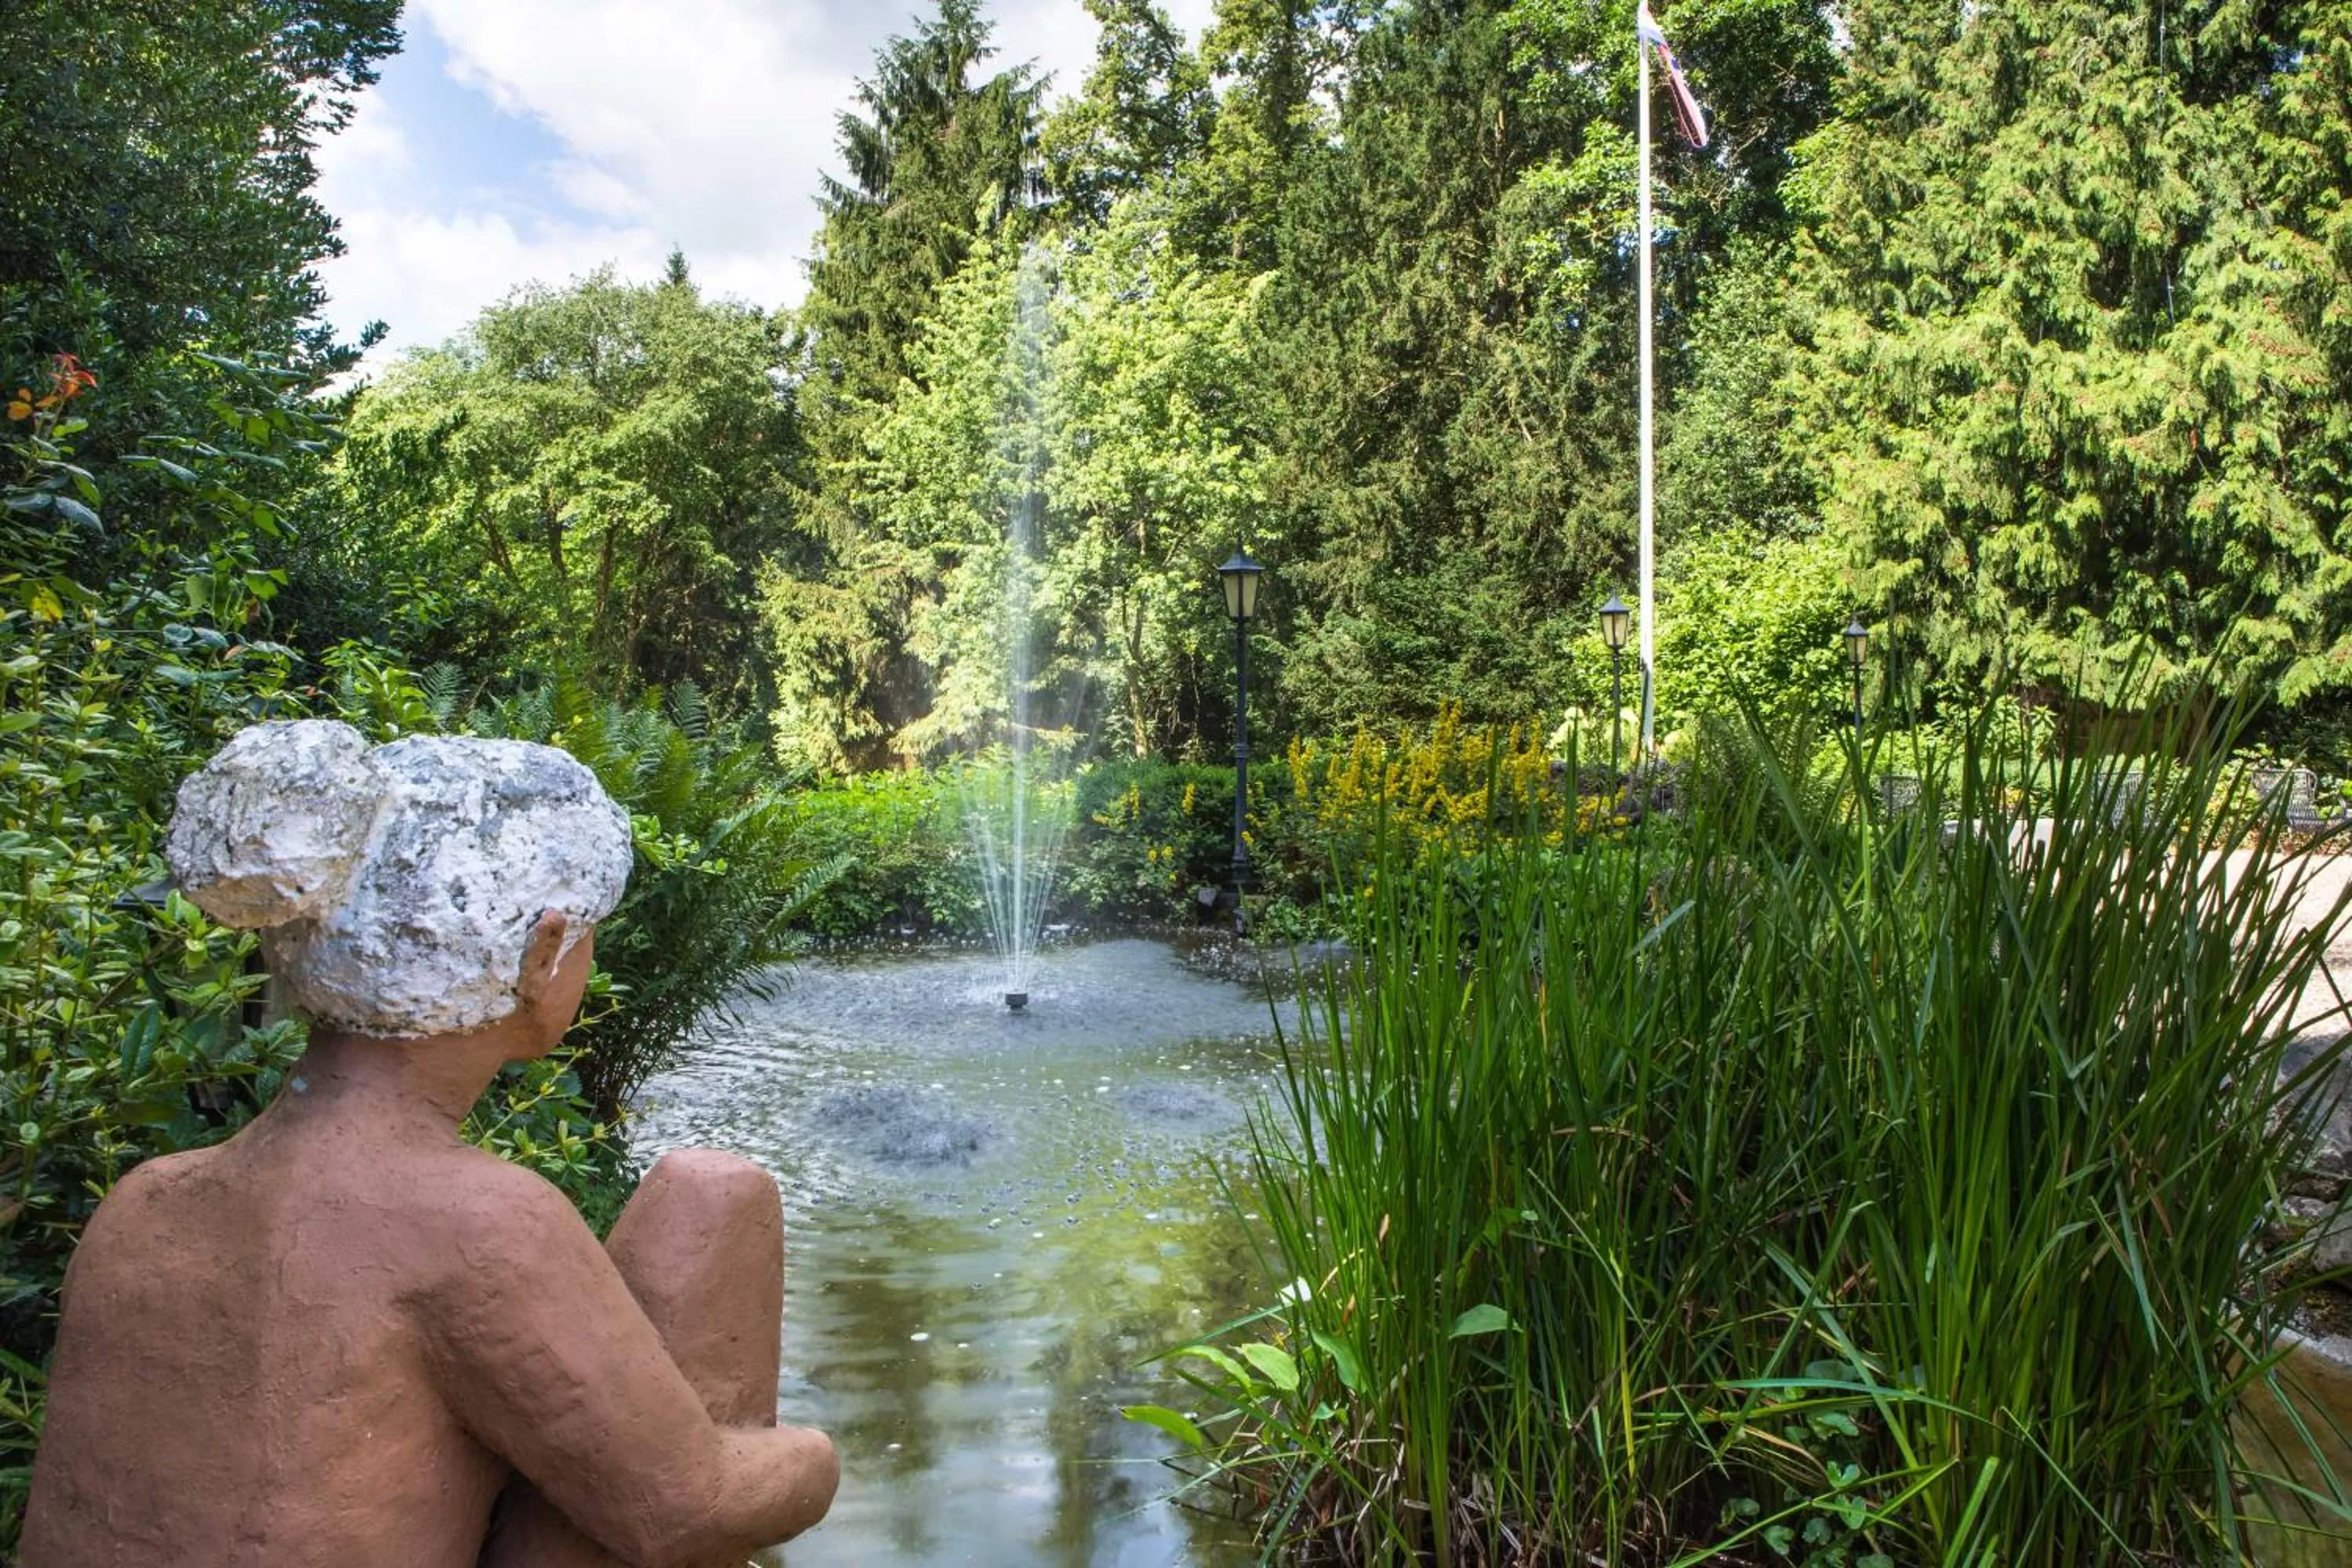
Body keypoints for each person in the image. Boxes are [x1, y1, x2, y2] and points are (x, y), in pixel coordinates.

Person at [20, 720, 837, 1566]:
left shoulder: (141, 1204)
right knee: (716, 1198)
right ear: (544, 952)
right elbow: (687, 1507)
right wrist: (817, 1458)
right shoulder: (482, 1223)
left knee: (694, 1220)